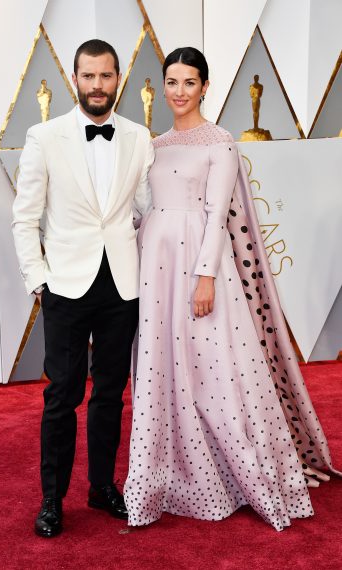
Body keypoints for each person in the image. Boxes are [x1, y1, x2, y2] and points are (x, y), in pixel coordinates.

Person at [124, 47, 337, 531]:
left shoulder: (219, 143)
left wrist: (204, 276)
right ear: (163, 86)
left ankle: (242, 469)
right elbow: (141, 207)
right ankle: (168, 473)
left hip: (200, 264)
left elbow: (217, 214)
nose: (180, 92)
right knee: (163, 368)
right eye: (172, 82)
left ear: (205, 86)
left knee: (213, 370)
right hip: (153, 264)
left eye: (189, 82)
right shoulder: (151, 144)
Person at [12, 39, 154, 538]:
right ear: (75, 78)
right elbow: (24, 218)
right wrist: (39, 281)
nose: (97, 85)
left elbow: (142, 208)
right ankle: (52, 500)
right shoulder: (44, 136)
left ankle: (100, 486)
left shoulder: (139, 137)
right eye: (88, 76)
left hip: (121, 284)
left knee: (111, 394)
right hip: (66, 287)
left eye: (106, 76)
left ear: (119, 79)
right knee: (62, 394)